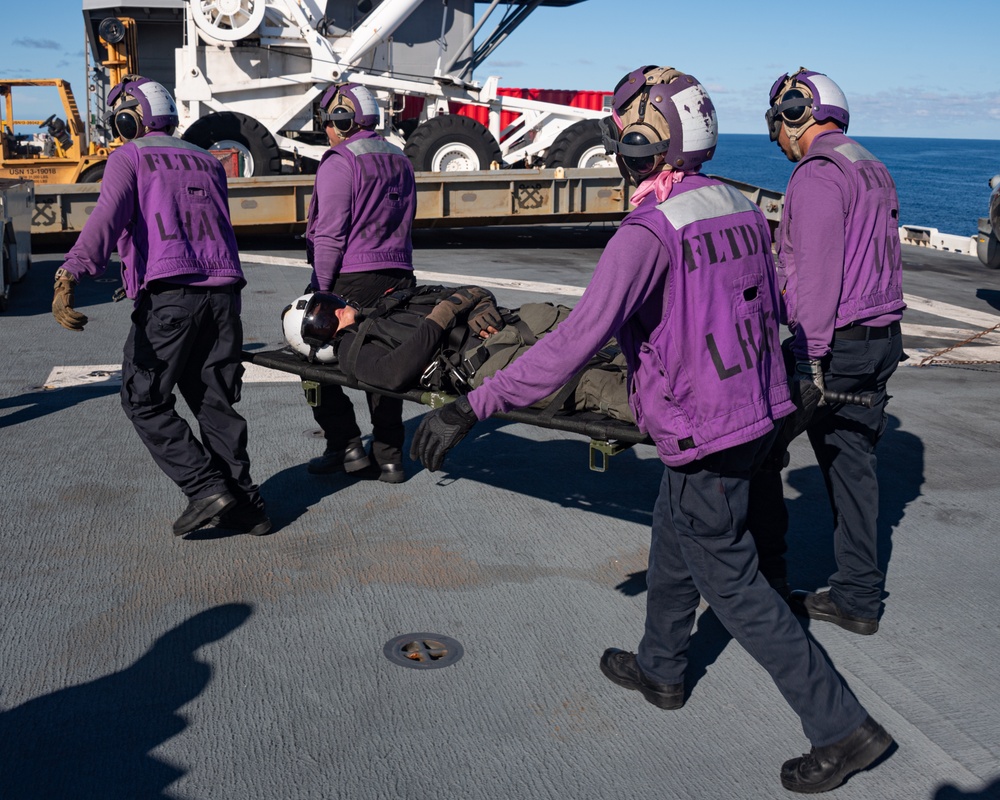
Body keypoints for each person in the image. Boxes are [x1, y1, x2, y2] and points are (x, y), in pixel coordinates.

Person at [408, 66, 893, 793]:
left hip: (708, 425)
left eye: (625, 133)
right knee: (677, 525)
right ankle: (663, 667)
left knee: (734, 580)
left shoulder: (648, 231)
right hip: (757, 411)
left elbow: (571, 346)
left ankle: (841, 727)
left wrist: (471, 406)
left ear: (644, 142)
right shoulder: (734, 201)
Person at [51, 75, 270, 537]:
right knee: (214, 403)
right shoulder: (209, 162)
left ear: (130, 118)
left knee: (143, 399)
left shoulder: (129, 156)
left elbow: (106, 220)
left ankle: (205, 488)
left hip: (171, 299)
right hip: (223, 296)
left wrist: (70, 270)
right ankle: (249, 507)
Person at [750, 69, 905, 634]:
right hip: (883, 340)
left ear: (796, 113)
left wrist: (810, 359)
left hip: (834, 349)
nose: (779, 142)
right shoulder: (870, 164)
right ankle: (859, 599)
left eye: (779, 126)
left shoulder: (817, 176)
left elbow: (814, 279)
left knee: (760, 452)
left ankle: (763, 591)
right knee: (852, 467)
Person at [281, 286, 633, 422]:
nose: (338, 312)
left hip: (515, 322)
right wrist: (442, 316)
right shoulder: (353, 355)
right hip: (486, 364)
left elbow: (467, 292)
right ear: (320, 341)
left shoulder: (391, 302)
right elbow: (393, 374)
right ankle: (682, 414)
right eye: (324, 320)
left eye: (331, 305)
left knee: (607, 329)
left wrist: (480, 304)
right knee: (593, 383)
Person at [302, 82, 418, 484]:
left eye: (329, 122)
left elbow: (330, 234)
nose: (328, 130)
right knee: (384, 363)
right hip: (400, 274)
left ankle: (345, 445)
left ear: (341, 119)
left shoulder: (340, 160)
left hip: (353, 276)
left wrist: (320, 288)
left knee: (309, 356)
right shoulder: (399, 158)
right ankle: (389, 458)